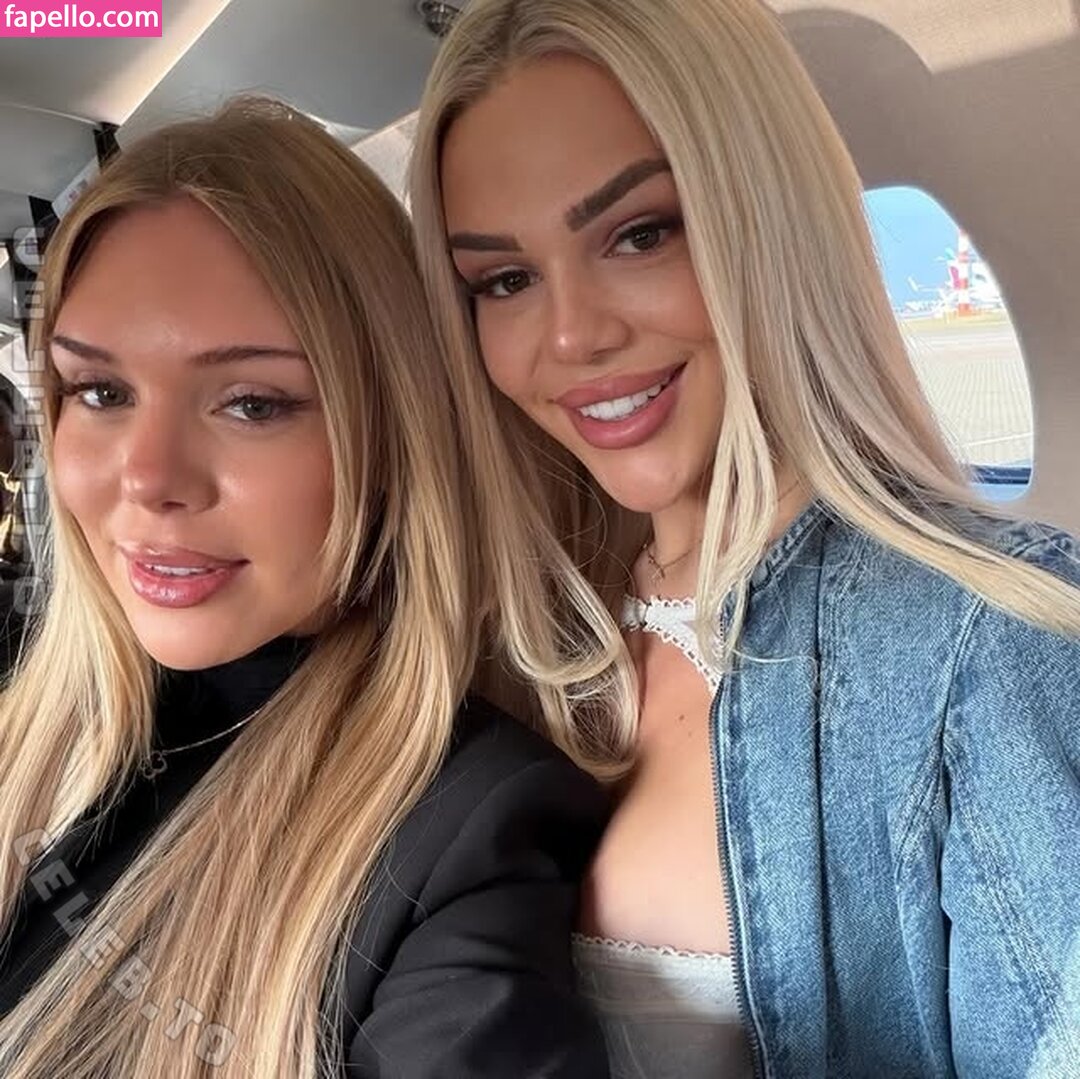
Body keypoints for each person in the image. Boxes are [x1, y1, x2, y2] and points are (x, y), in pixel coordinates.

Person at [407, 1, 1080, 1075]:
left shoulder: (985, 640)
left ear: (765, 216)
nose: (572, 334)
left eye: (640, 233)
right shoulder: (500, 650)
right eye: (505, 280)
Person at [0, 98, 612, 1079]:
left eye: (252, 402)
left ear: (391, 433)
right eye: (102, 393)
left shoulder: (465, 833)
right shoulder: (27, 725)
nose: (148, 477)